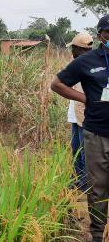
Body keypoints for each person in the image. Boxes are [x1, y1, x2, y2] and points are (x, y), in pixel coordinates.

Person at [51, 16, 109, 242]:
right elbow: (56, 84)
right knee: (98, 188)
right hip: (97, 134)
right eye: (108, 32)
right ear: (100, 35)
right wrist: (85, 98)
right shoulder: (87, 61)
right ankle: (96, 234)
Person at [65, 33, 93, 191]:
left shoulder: (93, 67)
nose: (72, 51)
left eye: (73, 48)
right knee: (76, 150)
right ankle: (78, 180)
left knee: (85, 153)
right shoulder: (77, 64)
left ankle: (85, 185)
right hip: (75, 115)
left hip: (86, 117)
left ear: (78, 49)